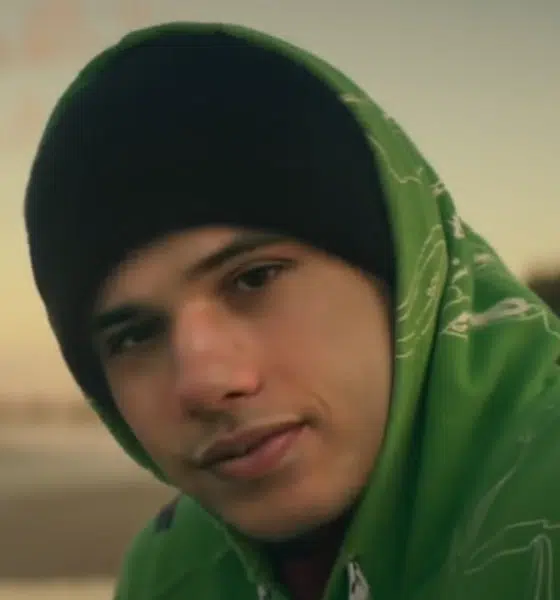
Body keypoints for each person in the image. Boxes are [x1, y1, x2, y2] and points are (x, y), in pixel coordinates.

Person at [24, 22, 560, 600]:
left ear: (401, 271)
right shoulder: (171, 575)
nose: (204, 383)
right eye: (133, 336)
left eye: (254, 278)